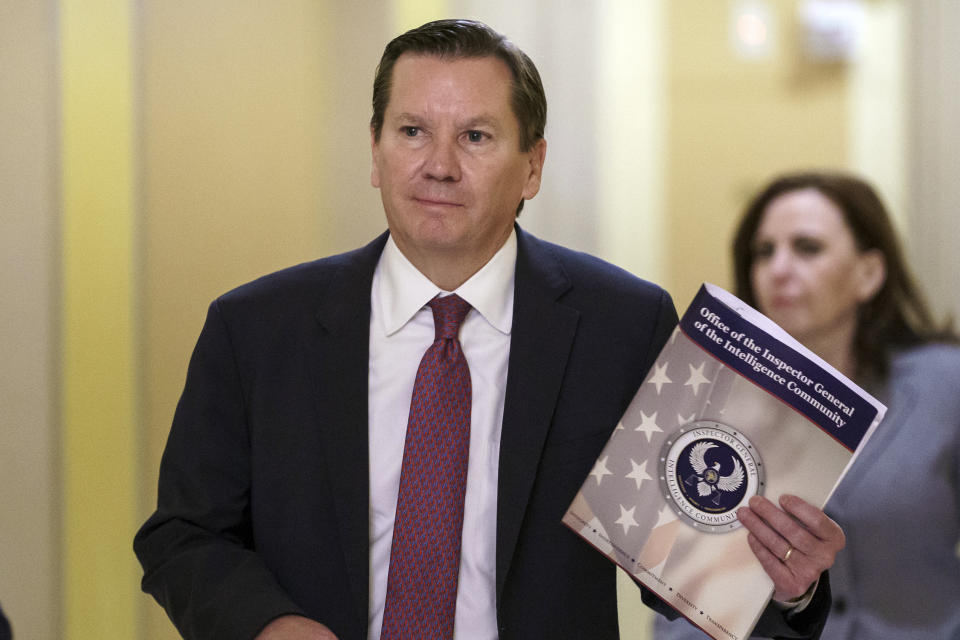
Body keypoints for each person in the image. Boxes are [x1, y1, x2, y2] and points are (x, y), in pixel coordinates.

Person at [134, 20, 843, 640]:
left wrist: (788, 584)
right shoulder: (256, 329)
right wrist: (264, 624)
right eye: (412, 132)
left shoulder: (622, 324)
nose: (439, 166)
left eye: (475, 136)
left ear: (531, 165)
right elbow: (184, 534)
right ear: (374, 151)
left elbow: (684, 563)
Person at [654, 169, 960, 640]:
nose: (778, 268)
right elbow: (680, 608)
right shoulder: (711, 401)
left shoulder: (945, 385)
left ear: (869, 273)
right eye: (764, 252)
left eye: (807, 248)